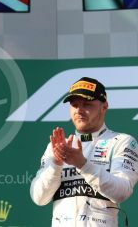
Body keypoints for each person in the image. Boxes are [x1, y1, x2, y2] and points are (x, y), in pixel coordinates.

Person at [30, 77, 138, 226]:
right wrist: (56, 164)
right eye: (74, 105)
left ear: (104, 106)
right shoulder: (57, 147)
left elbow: (122, 192)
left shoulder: (122, 141)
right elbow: (39, 198)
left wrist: (83, 164)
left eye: (87, 104)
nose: (79, 110)